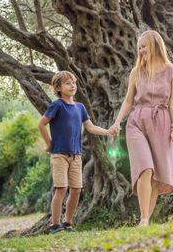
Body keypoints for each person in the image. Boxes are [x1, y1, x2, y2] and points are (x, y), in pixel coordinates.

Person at [111, 30, 173, 227]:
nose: (141, 50)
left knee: (156, 173)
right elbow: (127, 100)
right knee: (145, 168)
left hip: (162, 122)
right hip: (137, 122)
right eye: (139, 47)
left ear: (155, 46)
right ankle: (143, 219)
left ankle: (146, 221)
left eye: (144, 46)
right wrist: (117, 121)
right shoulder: (136, 72)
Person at [38, 71, 118, 234]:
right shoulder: (57, 105)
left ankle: (68, 223)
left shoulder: (80, 107)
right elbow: (41, 124)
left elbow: (90, 127)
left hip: (76, 155)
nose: (72, 85)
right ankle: (54, 225)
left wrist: (108, 131)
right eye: (67, 83)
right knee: (61, 188)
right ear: (58, 88)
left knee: (76, 189)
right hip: (59, 155)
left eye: (73, 82)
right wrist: (49, 144)